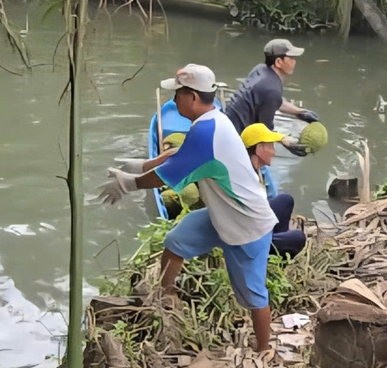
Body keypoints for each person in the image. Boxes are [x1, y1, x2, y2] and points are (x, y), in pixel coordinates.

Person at [99, 64, 278, 351]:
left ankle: (264, 351)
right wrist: (144, 165)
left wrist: (129, 184)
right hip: (223, 214)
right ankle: (166, 297)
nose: (173, 101)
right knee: (175, 242)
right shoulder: (212, 122)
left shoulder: (208, 131)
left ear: (193, 97)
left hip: (247, 224)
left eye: (178, 94)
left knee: (254, 296)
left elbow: (170, 175)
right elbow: (180, 153)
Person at [223, 38, 318, 154]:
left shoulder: (261, 70)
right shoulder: (271, 88)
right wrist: (285, 141)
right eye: (291, 58)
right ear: (278, 62)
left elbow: (274, 100)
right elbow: (264, 132)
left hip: (227, 124)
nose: (294, 62)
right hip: (235, 139)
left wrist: (299, 112)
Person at [241, 123, 307, 256]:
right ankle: (272, 259)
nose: (274, 152)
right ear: (259, 149)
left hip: (258, 222)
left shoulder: (260, 169)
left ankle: (277, 240)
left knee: (285, 200)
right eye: (271, 146)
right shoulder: (245, 177)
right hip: (248, 238)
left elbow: (272, 198)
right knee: (298, 238)